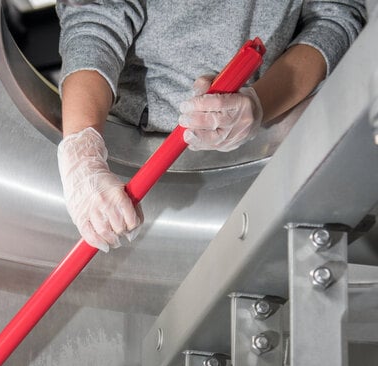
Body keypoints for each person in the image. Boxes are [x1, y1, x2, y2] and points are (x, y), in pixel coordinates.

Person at [55, 1, 367, 252]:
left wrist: (259, 105)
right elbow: (94, 17)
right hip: (132, 143)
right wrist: (82, 153)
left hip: (268, 143)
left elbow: (335, 17)